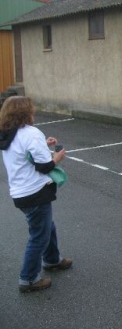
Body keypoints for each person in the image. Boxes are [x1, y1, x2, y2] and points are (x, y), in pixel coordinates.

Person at [0, 96, 72, 293]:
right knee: (38, 235)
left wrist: (43, 143)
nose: (34, 112)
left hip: (20, 193)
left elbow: (24, 154)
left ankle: (52, 259)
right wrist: (57, 157)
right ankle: (28, 279)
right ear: (25, 112)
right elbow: (44, 166)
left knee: (47, 226)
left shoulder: (8, 133)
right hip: (34, 192)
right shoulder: (30, 133)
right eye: (31, 109)